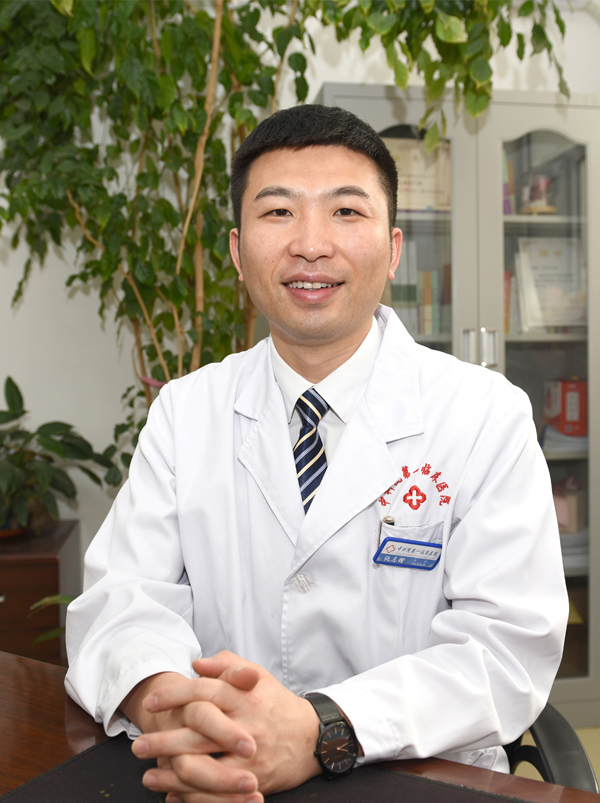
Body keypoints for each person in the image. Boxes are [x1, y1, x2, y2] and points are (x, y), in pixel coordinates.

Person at [65, 104, 568, 803]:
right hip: (218, 774)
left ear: (393, 249)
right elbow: (120, 603)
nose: (310, 244)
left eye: (346, 212)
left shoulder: (485, 415)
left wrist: (321, 728)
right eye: (278, 212)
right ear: (237, 251)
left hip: (415, 777)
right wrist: (178, 711)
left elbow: (504, 649)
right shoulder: (186, 411)